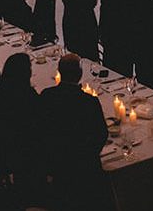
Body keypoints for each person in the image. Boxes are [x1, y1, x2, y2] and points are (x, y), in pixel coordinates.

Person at [40, 54, 110, 209]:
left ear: (59, 71)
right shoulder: (89, 101)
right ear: (80, 75)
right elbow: (101, 134)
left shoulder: (46, 95)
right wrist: (88, 156)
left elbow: (40, 129)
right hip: (85, 169)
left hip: (55, 164)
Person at [0, 53, 41, 198]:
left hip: (5, 147)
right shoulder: (27, 97)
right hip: (24, 150)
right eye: (30, 68)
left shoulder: (0, 91)